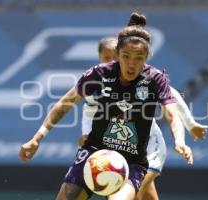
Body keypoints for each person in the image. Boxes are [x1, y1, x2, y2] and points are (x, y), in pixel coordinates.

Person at [19, 12, 194, 200]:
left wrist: (180, 140)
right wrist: (37, 138)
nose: (131, 63)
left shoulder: (155, 78)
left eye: (139, 58)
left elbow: (171, 113)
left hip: (132, 161)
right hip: (94, 152)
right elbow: (64, 104)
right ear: (117, 54)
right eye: (126, 56)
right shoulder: (99, 74)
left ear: (146, 58)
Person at [79, 36, 208, 200]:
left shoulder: (143, 79)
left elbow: (172, 98)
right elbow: (89, 108)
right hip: (118, 149)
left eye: (114, 57)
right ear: (99, 58)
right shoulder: (97, 83)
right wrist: (86, 132)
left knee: (121, 196)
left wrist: (190, 125)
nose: (111, 62)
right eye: (106, 58)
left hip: (148, 150)